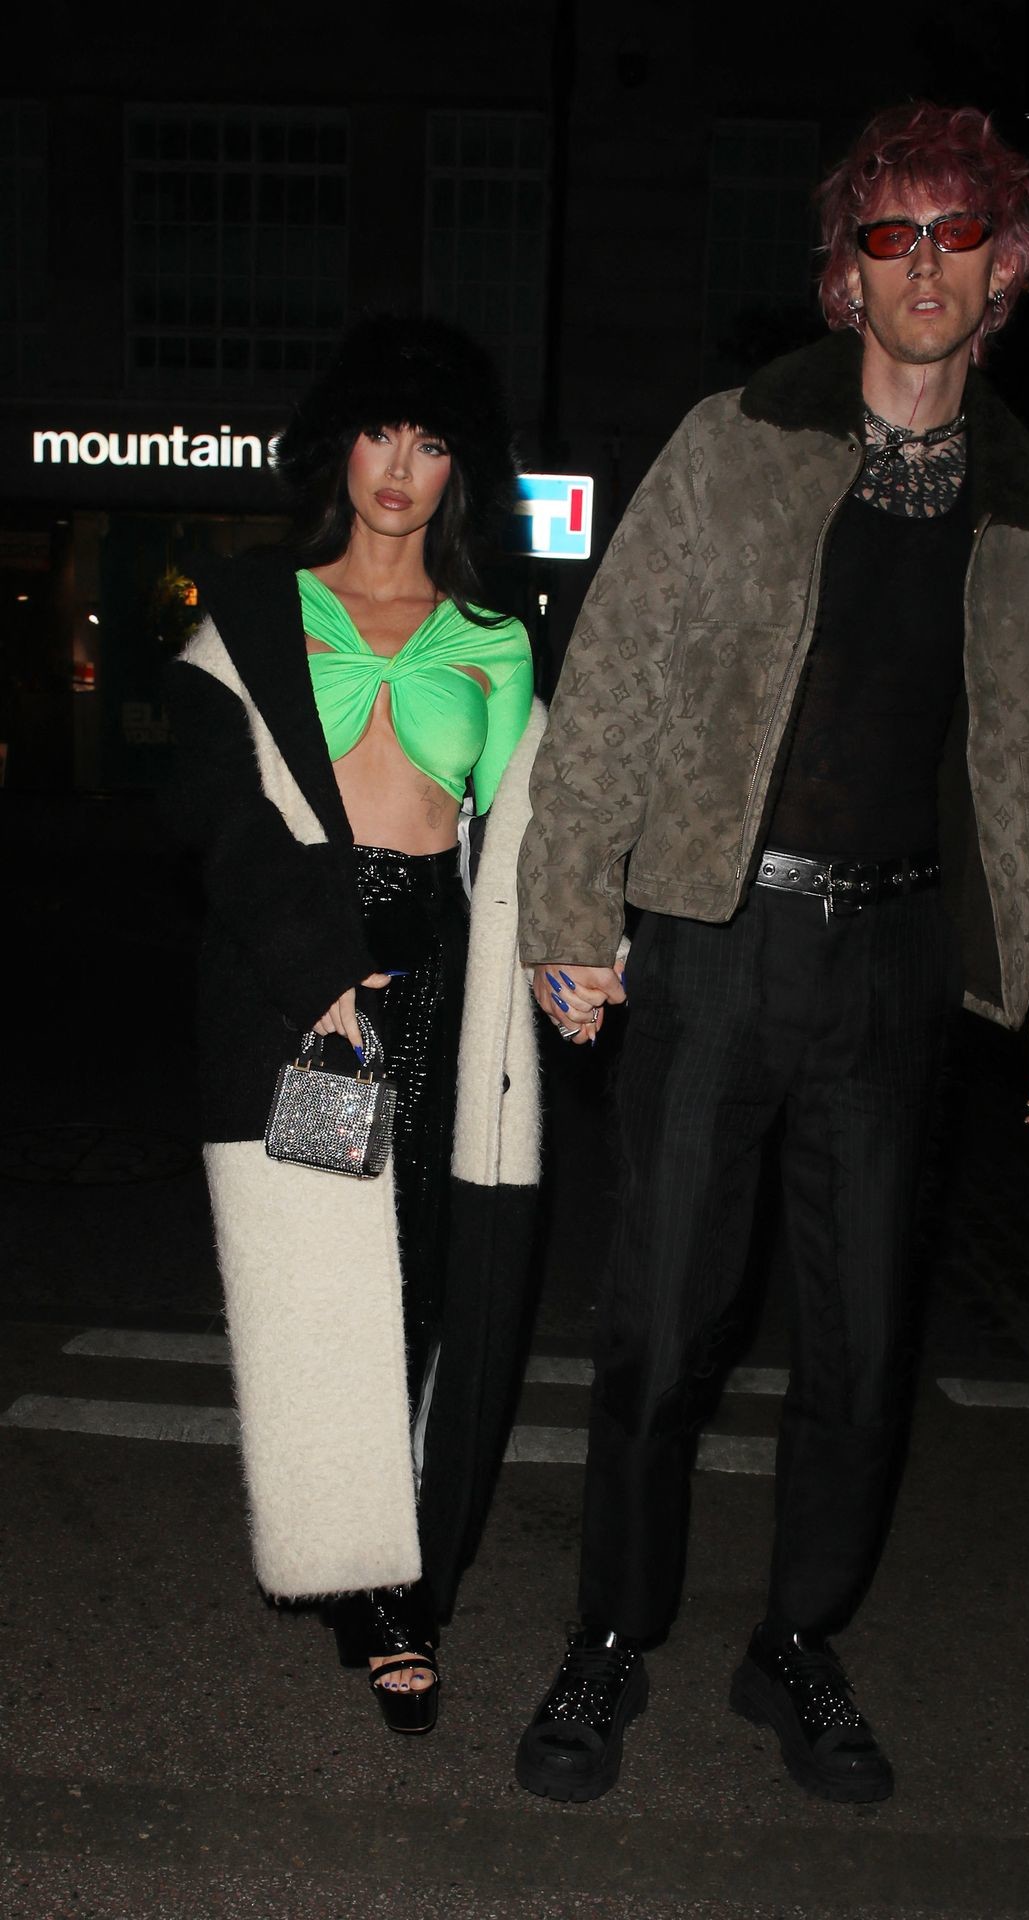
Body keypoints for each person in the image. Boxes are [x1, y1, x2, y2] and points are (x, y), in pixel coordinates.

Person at [515, 102, 1029, 1802]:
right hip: (715, 939)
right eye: (890, 235)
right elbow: (613, 679)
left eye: (958, 234)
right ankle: (610, 1635)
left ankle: (796, 1640)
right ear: (847, 274)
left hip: (898, 967)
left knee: (862, 1349)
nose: (924, 264)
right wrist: (570, 916)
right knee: (661, 1328)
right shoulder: (735, 444)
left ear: (1006, 270)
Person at [167, 314, 543, 1735]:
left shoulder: (496, 639)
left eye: (432, 442)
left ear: (462, 468)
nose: (400, 466)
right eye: (381, 433)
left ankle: (388, 1550)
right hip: (298, 971)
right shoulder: (258, 614)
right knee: (320, 1272)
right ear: (339, 446)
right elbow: (211, 808)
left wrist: (577, 957)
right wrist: (313, 962)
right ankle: (372, 1580)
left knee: (423, 1270)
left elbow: (529, 831)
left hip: (435, 969)